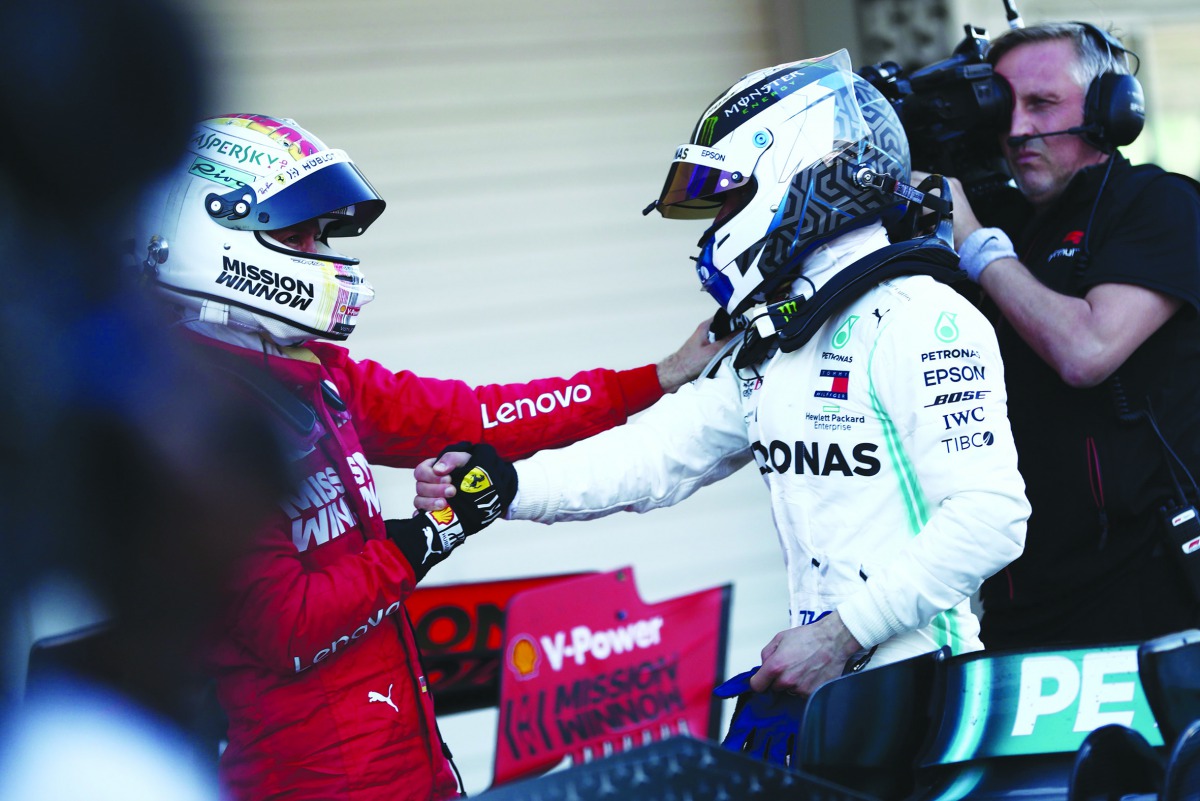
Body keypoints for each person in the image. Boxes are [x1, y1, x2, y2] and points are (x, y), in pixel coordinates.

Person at [129, 112, 724, 801]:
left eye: (321, 232)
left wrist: (655, 377)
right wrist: (433, 533)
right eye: (299, 233)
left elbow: (477, 414)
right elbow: (287, 627)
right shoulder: (191, 418)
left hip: (407, 765)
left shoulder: (318, 372)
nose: (321, 251)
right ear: (220, 240)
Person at [416, 51, 1029, 696]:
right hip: (825, 688)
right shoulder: (776, 336)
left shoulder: (923, 316)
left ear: (792, 174)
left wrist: (838, 635)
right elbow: (655, 455)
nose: (714, 226)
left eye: (726, 197)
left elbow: (990, 519)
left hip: (927, 687)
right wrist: (506, 485)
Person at [914, 22, 1200, 649]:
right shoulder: (1008, 224)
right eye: (1004, 106)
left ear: (1109, 111)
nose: (1017, 130)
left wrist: (979, 246)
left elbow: (1088, 351)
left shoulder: (1160, 204)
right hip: (1023, 596)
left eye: (1043, 104)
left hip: (1151, 594)